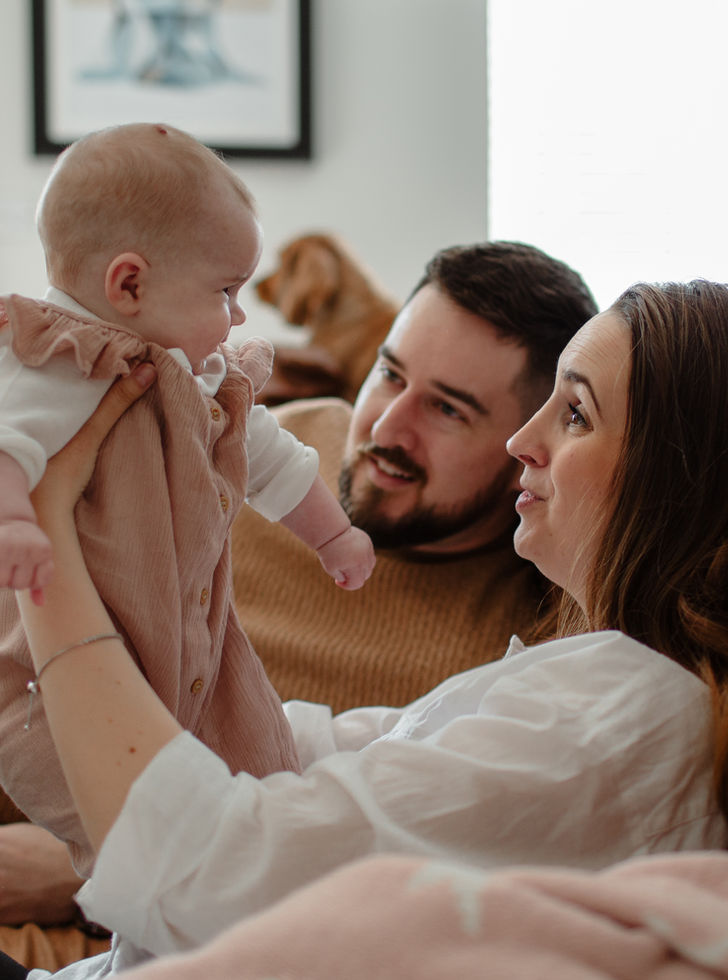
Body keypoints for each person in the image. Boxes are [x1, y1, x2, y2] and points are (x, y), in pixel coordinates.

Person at [14, 279, 728, 979]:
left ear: (683, 478)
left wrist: (46, 551)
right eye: (389, 372)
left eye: (575, 415)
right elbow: (286, 746)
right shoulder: (585, 680)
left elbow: (209, 870)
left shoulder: (620, 718)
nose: (527, 443)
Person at [0, 239, 600, 970]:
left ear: (525, 449)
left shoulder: (519, 649)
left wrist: (74, 868)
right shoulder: (261, 444)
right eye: (389, 373)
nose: (384, 428)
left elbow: (308, 862)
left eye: (447, 409)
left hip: (146, 871)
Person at [0, 122, 376, 878]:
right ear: (129, 285)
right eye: (227, 292)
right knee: (108, 801)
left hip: (188, 638)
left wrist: (332, 536)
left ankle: (224, 885)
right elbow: (6, 442)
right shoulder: (56, 363)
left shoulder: (197, 376)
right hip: (51, 655)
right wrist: (15, 519)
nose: (239, 317)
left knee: (256, 756)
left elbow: (267, 455)